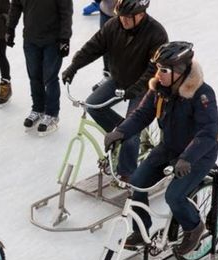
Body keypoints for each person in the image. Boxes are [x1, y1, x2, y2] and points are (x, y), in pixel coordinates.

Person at [103, 41, 218, 256]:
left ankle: (194, 227)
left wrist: (187, 158)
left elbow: (208, 131)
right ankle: (141, 230)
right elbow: (141, 114)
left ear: (180, 71)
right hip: (169, 148)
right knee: (137, 183)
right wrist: (120, 131)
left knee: (174, 196)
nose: (159, 73)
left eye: (164, 70)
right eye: (158, 68)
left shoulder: (202, 94)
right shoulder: (160, 90)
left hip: (197, 155)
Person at [62, 0, 167, 182]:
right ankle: (122, 135)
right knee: (93, 105)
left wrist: (134, 90)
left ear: (140, 15)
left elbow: (154, 70)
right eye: (120, 16)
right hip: (119, 79)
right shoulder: (114, 25)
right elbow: (93, 47)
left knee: (131, 125)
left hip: (143, 88)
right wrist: (74, 66)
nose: (122, 21)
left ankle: (128, 174)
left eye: (127, 17)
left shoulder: (156, 33)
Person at [6, 0, 73, 135]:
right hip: (30, 38)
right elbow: (16, 5)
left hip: (53, 40)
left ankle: (52, 114)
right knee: (34, 75)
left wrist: (65, 38)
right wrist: (10, 28)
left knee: (50, 77)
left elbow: (66, 11)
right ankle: (38, 108)